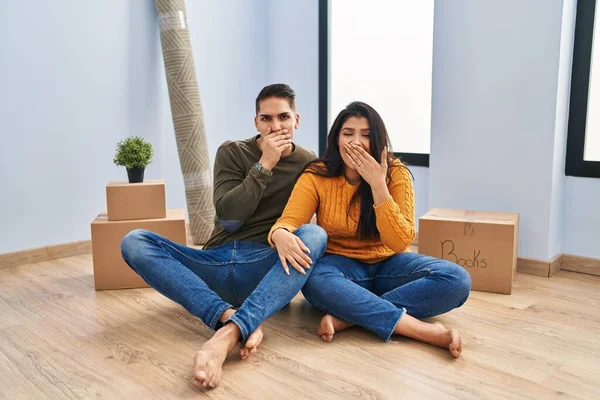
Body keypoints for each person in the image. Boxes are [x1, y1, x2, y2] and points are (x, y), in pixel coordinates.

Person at [120, 84, 327, 389]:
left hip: (263, 264)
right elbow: (229, 220)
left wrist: (281, 234)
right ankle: (227, 316)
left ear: (297, 120)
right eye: (266, 119)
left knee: (315, 234)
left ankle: (228, 334)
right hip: (214, 262)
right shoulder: (232, 152)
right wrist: (265, 164)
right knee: (134, 241)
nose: (275, 126)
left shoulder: (309, 163)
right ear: (256, 122)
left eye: (283, 117)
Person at [268, 101, 471, 358]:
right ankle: (419, 329)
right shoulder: (317, 175)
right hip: (341, 268)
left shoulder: (396, 173)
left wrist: (377, 185)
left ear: (377, 141)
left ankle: (351, 317)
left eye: (365, 135)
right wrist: (280, 234)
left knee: (457, 280)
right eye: (348, 133)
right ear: (336, 139)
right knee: (314, 282)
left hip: (390, 264)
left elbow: (399, 242)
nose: (356, 142)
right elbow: (288, 221)